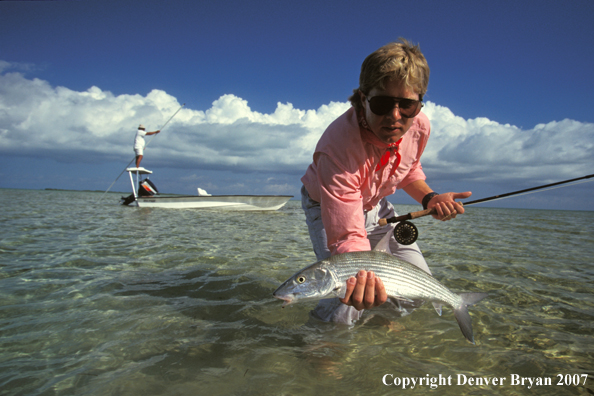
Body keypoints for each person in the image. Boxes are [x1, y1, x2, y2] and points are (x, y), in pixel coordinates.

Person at [300, 38, 472, 324]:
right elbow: (346, 237)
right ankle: (321, 344)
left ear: (419, 103)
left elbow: (409, 169)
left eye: (407, 105)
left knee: (417, 290)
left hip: (375, 205)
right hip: (328, 206)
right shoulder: (337, 148)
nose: (395, 117)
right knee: (349, 298)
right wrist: (360, 277)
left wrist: (430, 198)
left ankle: (378, 322)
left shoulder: (419, 126)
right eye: (381, 103)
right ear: (362, 97)